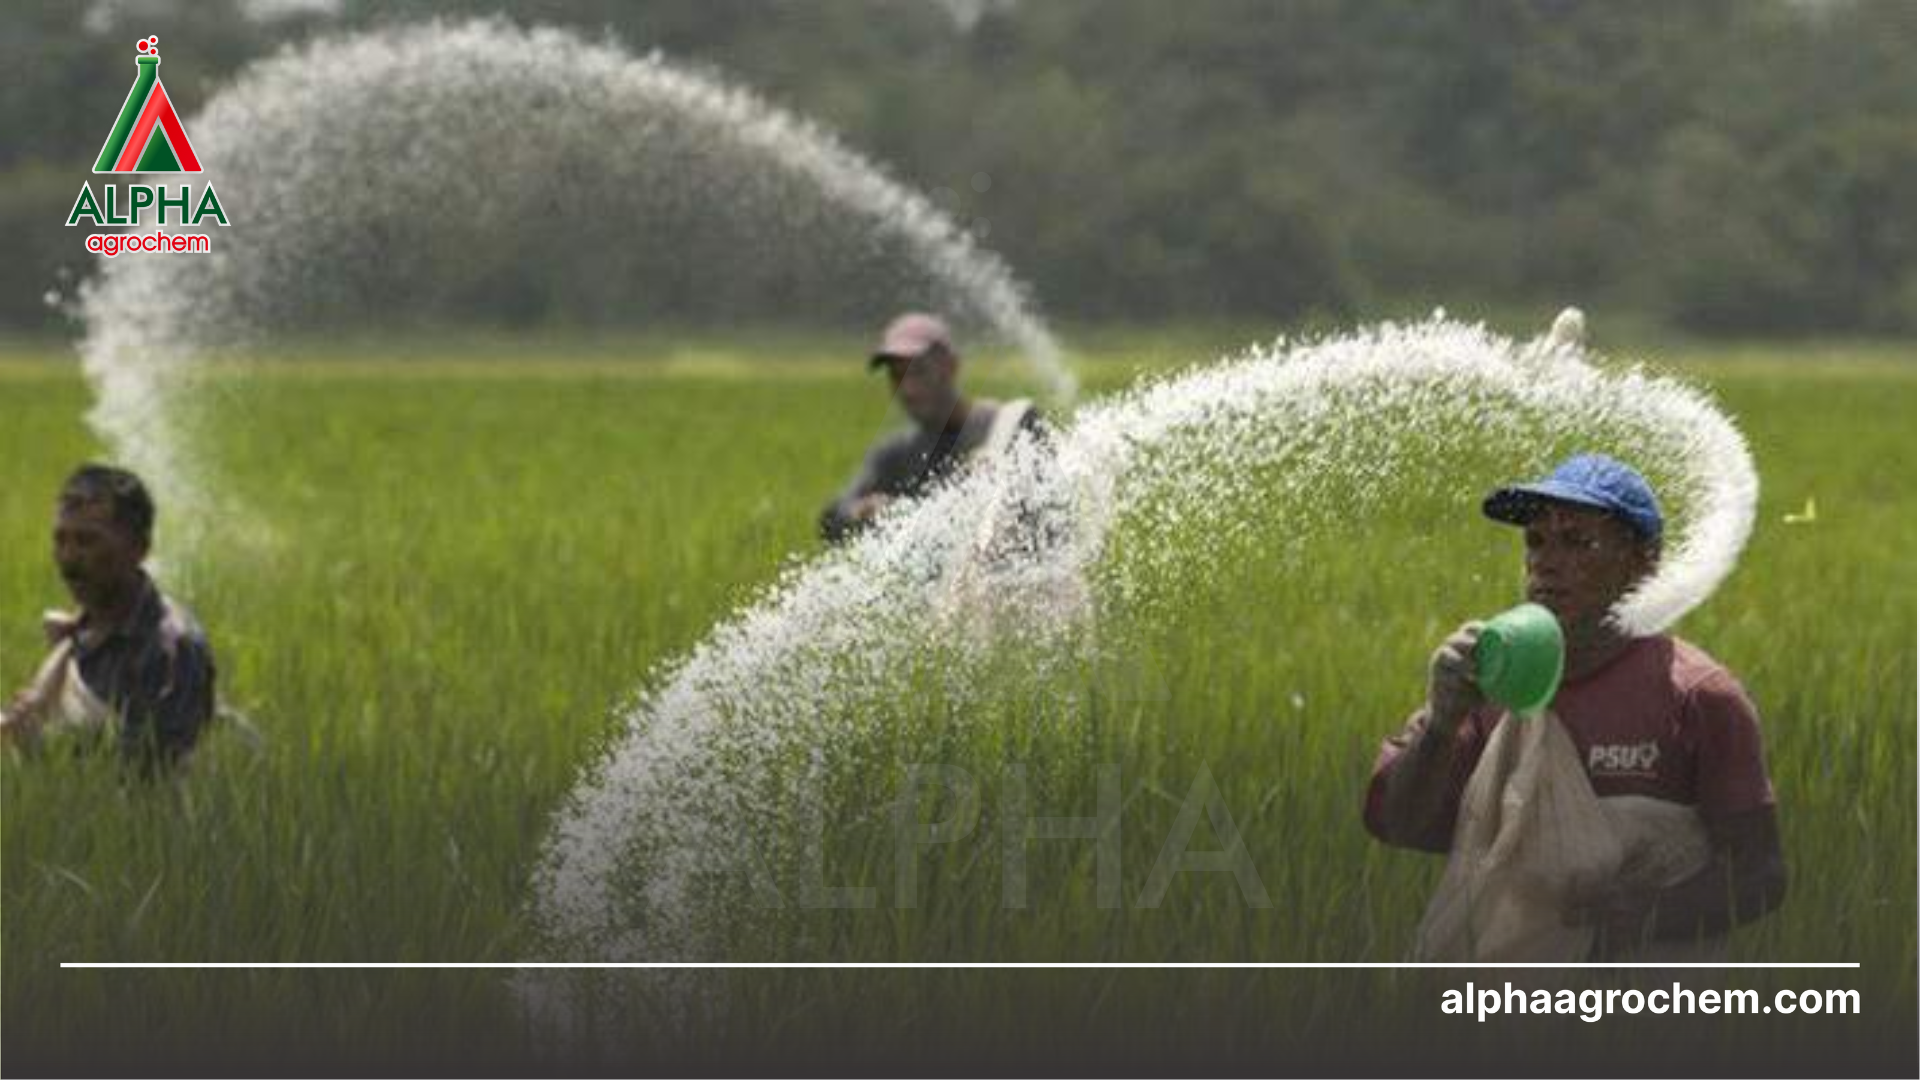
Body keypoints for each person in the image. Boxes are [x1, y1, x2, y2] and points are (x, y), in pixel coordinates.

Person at [1363, 453, 1785, 958]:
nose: (1546, 561)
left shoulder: (1697, 696)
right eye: (1536, 542)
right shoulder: (1490, 684)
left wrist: (1648, 914)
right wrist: (1441, 724)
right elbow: (1398, 825)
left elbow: (1760, 875)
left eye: (1578, 542)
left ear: (1643, 563)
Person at [2, 464, 216, 773]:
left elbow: (149, 780)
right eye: (61, 540)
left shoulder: (170, 649)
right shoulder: (82, 628)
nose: (69, 558)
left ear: (139, 549)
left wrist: (39, 746)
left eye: (87, 541)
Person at [819, 312, 1045, 543]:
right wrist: (863, 512)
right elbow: (832, 518)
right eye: (897, 376)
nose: (908, 389)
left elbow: (1051, 520)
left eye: (919, 372)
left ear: (951, 367)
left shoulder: (1008, 426)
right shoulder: (897, 453)